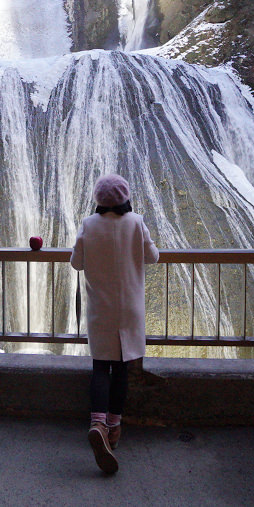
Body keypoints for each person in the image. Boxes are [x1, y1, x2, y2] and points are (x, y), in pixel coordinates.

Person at [70, 174, 159, 474]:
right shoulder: (136, 222)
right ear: (125, 198)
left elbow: (76, 263)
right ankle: (114, 430)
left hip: (100, 309)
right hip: (129, 309)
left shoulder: (88, 224)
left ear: (97, 199)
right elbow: (153, 256)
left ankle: (97, 423)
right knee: (121, 369)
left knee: (100, 367)